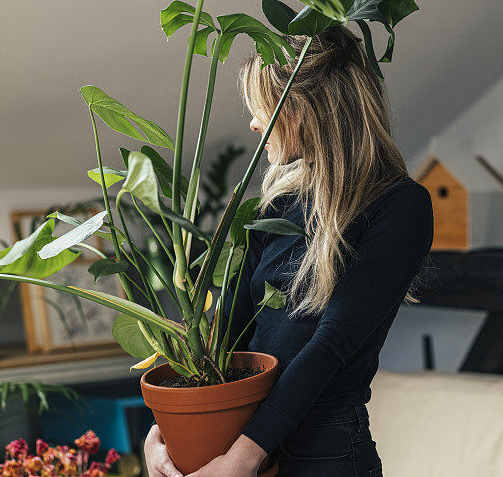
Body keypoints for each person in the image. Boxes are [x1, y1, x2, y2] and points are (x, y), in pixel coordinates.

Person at [145, 25, 434, 477]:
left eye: (261, 108)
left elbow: (330, 346)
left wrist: (242, 459)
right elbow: (227, 332)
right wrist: (162, 434)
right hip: (242, 438)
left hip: (325, 453)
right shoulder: (277, 205)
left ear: (301, 110)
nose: (255, 123)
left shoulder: (400, 206)